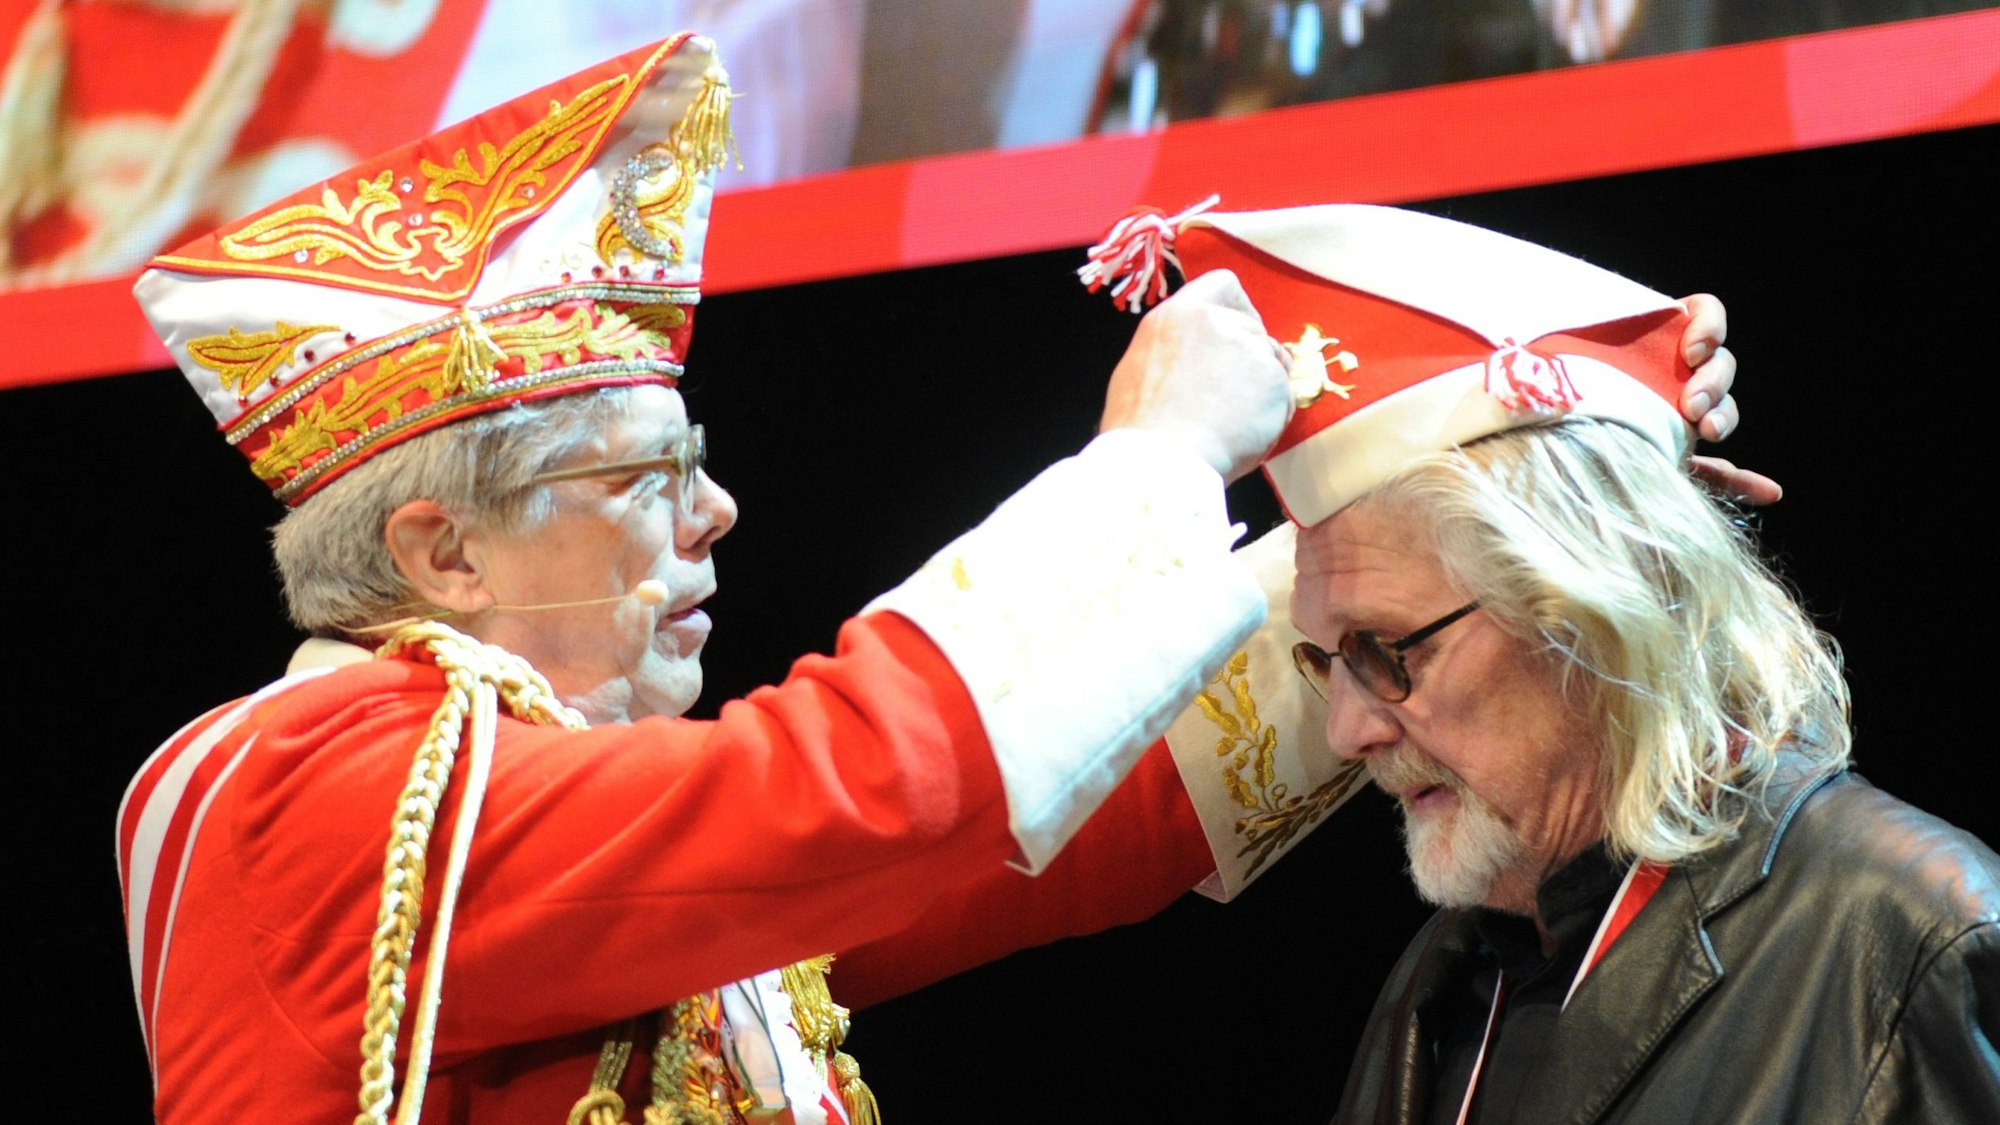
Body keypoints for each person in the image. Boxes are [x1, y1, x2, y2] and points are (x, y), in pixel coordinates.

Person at [115, 35, 1744, 1125]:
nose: (719, 513)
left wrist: (1498, 483)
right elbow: (854, 796)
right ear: (440, 554)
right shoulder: (288, 794)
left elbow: (1038, 830)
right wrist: (1153, 461)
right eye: (645, 479)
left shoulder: (548, 827)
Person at [1091, 199, 1999, 1123]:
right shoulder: (1444, 981)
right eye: (1328, 660)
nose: (1344, 730)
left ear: (1596, 606)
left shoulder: (1912, 944)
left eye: (1390, 652)